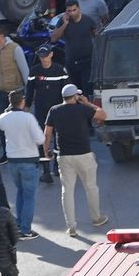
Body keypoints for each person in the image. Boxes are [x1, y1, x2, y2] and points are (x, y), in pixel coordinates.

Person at [43, 84, 109, 237]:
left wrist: (46, 149)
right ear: (75, 97)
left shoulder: (54, 110)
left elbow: (47, 133)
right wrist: (86, 102)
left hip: (64, 156)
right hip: (84, 154)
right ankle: (96, 217)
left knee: (67, 191)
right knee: (91, 187)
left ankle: (71, 226)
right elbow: (103, 115)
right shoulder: (82, 109)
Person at [0, 90, 45, 238]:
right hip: (29, 160)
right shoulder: (28, 118)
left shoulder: (4, 117)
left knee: (20, 193)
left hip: (13, 161)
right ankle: (25, 230)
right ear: (22, 101)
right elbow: (40, 139)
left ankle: (18, 223)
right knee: (29, 196)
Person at [50, 0, 98, 98]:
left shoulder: (87, 20)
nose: (72, 13)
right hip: (71, 62)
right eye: (69, 11)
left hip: (87, 61)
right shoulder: (63, 21)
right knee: (74, 89)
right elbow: (54, 38)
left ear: (79, 9)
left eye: (74, 10)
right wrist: (65, 24)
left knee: (87, 89)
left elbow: (97, 36)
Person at [0, 26, 29, 121]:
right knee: (1, 121)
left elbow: (24, 70)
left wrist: (28, 92)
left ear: (2, 35)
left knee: (18, 120)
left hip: (15, 91)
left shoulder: (15, 48)